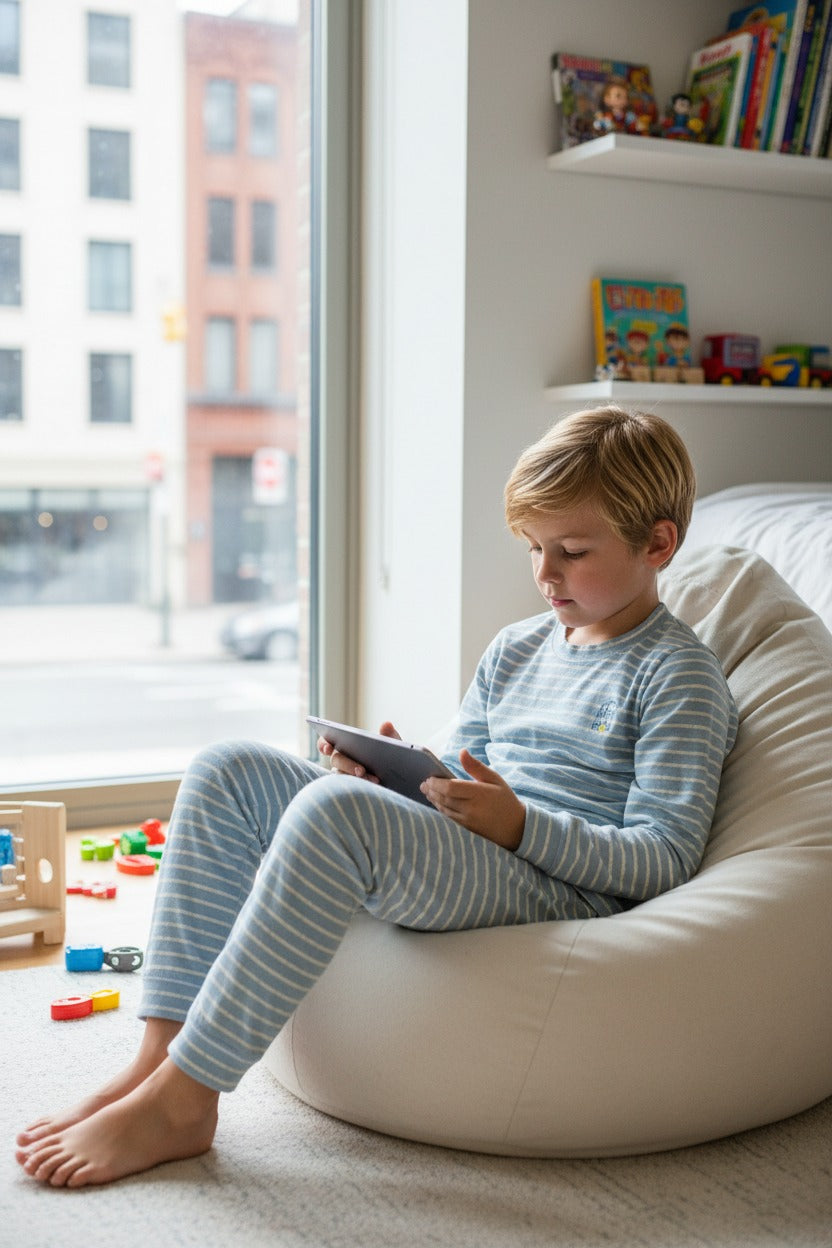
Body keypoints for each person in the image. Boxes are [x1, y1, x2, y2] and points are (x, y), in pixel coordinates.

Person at [16, 405, 737, 1187]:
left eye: (571, 551)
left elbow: (665, 857)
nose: (544, 574)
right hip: (485, 847)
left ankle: (188, 1098)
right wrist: (396, 776)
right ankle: (158, 1058)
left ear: (656, 544)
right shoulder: (517, 647)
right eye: (533, 547)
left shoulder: (679, 676)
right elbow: (464, 772)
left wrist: (520, 825)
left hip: (559, 886)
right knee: (227, 768)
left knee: (337, 817)